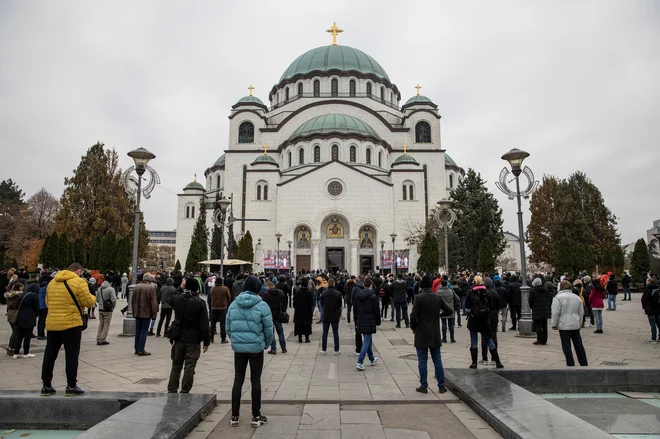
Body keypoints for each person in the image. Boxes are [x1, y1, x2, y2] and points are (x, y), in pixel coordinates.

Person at [41, 263, 96, 397]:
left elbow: (48, 303)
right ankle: (71, 385)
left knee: (50, 355)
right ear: (78, 271)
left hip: (53, 323)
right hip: (71, 324)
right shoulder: (79, 282)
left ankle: (46, 385)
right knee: (71, 355)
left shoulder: (52, 283)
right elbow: (89, 302)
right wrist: (93, 296)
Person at [226, 275, 272, 428]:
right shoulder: (262, 305)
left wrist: (236, 340)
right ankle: (255, 415)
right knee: (255, 380)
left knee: (238, 380)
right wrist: (265, 344)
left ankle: (234, 416)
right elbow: (268, 329)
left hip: (239, 349)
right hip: (256, 349)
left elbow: (228, 327)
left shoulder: (234, 304)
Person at [410, 275, 453, 393]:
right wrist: (440, 314)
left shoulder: (418, 298)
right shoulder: (437, 297)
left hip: (421, 332)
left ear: (421, 286)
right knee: (437, 360)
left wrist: (413, 327)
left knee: (422, 361)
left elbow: (413, 315)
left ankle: (423, 386)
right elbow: (449, 310)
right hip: (434, 332)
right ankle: (441, 385)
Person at [167, 277, 210, 393]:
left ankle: (172, 389)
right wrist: (206, 341)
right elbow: (204, 324)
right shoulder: (200, 303)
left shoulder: (177, 299)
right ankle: (185, 390)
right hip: (193, 339)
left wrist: (181, 287)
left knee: (176, 365)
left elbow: (169, 298)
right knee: (189, 367)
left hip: (179, 337)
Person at [466, 276, 503, 369]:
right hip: (485, 320)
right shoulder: (487, 292)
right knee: (489, 339)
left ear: (474, 282)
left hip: (473, 319)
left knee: (474, 341)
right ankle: (497, 361)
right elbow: (491, 306)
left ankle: (474, 363)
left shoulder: (470, 292)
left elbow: (467, 305)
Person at [552, 279, 588, 366]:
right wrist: (579, 323)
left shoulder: (558, 298)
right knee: (578, 344)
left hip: (564, 324)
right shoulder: (577, 297)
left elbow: (555, 312)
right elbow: (581, 312)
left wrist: (554, 324)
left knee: (566, 345)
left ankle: (570, 363)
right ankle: (583, 362)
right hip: (575, 323)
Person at [354, 278, 380, 370]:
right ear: (371, 286)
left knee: (367, 340)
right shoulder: (373, 296)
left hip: (360, 319)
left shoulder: (358, 295)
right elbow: (377, 310)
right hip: (369, 320)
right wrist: (378, 321)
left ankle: (372, 359)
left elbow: (355, 309)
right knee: (366, 341)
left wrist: (355, 320)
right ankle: (360, 362)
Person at [131, 273, 158, 356]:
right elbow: (153, 302)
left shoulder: (136, 286)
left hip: (137, 311)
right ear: (150, 279)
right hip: (146, 312)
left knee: (138, 330)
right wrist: (154, 313)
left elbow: (132, 300)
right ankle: (141, 349)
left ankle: (137, 348)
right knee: (144, 330)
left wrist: (133, 310)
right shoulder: (151, 287)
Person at [12, 278, 39, 359]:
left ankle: (16, 353)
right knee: (27, 336)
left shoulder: (23, 294)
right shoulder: (34, 296)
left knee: (19, 336)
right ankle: (26, 352)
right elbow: (36, 307)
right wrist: (36, 315)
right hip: (29, 317)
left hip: (20, 317)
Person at [262, 282, 287, 354]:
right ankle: (283, 347)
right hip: (279, 315)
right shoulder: (280, 293)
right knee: (280, 331)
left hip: (269, 315)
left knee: (271, 333)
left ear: (268, 287)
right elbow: (284, 302)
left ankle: (273, 349)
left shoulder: (266, 295)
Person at [320, 278, 343, 354]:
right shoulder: (338, 293)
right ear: (334, 284)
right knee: (335, 333)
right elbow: (340, 304)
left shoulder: (324, 293)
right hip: (335, 315)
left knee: (325, 333)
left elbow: (321, 303)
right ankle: (336, 349)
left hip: (326, 314)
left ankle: (324, 349)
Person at [481, 277, 501, 363]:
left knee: (484, 338)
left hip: (485, 316)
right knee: (493, 336)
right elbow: (497, 306)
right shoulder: (495, 293)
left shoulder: (482, 293)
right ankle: (494, 357)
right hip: (493, 316)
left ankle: (484, 358)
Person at [529, 277, 551, 346]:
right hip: (544, 310)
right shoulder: (545, 290)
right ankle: (544, 340)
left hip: (536, 310)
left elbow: (530, 301)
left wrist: (532, 307)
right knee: (544, 326)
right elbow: (548, 299)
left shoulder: (533, 290)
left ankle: (539, 339)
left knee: (537, 325)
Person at [209, 277, 231, 344]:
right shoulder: (225, 288)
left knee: (213, 324)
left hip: (214, 308)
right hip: (222, 308)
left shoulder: (212, 289)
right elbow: (229, 297)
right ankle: (223, 338)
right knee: (222, 323)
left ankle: (211, 338)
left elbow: (210, 297)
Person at [95, 278, 117, 345]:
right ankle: (102, 339)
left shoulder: (99, 288)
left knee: (101, 323)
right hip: (108, 309)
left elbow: (97, 299)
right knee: (106, 324)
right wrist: (113, 306)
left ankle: (98, 337)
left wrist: (101, 304)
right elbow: (113, 299)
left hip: (100, 309)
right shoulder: (111, 289)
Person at [293, 277, 314, 343]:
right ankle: (307, 338)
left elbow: (294, 301)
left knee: (299, 324)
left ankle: (300, 338)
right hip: (307, 311)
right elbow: (312, 303)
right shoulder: (309, 292)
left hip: (298, 311)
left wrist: (296, 307)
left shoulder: (297, 292)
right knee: (307, 324)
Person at [6, 281, 24, 356]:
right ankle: (12, 348)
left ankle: (10, 347)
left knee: (14, 332)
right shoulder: (18, 295)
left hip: (10, 312)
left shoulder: (9, 295)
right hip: (15, 313)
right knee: (16, 332)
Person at [437, 278, 456, 343]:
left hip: (443, 310)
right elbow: (455, 298)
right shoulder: (451, 291)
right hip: (450, 309)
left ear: (441, 285)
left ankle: (444, 338)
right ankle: (452, 338)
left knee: (443, 323)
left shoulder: (439, 292)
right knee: (451, 324)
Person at [641, 277, 660, 342]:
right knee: (658, 323)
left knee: (653, 324)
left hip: (650, 308)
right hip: (658, 308)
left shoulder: (648, 289)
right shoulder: (658, 288)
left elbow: (644, 299)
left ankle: (653, 338)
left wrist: (644, 307)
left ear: (649, 282)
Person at [37, 273, 50, 340]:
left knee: (40, 320)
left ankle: (39, 333)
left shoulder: (41, 287)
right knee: (43, 321)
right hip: (44, 306)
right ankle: (41, 334)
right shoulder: (46, 288)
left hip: (39, 305)